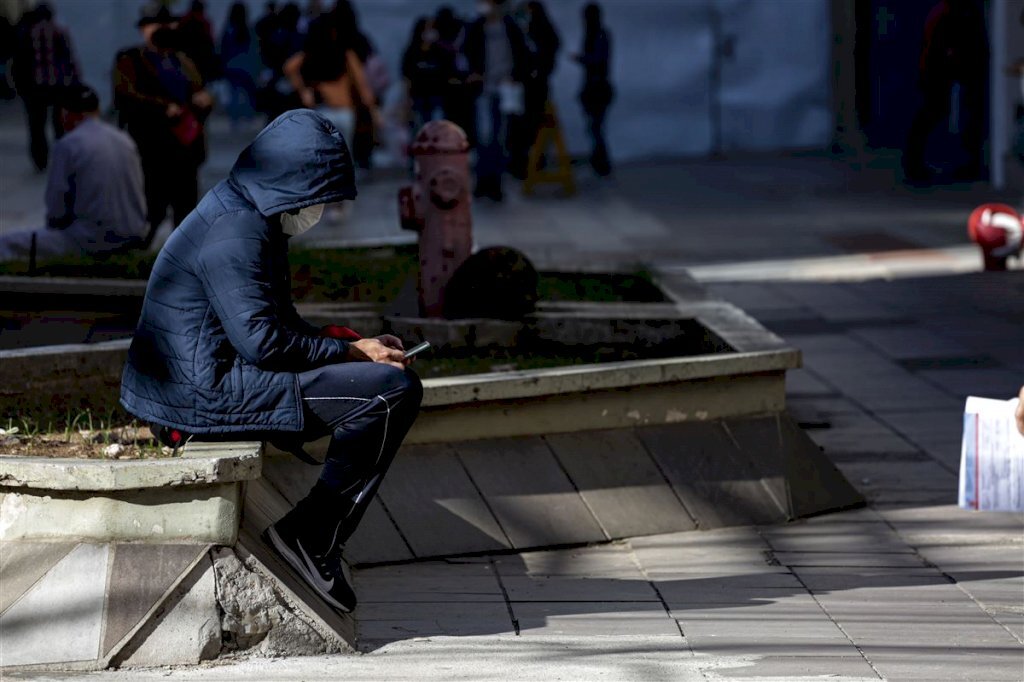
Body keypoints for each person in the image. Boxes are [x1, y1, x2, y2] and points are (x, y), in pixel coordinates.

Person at [120, 110, 422, 613]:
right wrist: (349, 351)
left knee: (382, 378)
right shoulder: (236, 231)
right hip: (201, 394)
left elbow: (270, 325)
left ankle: (313, 534)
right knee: (392, 394)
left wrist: (355, 344)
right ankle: (311, 537)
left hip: (206, 379)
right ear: (294, 184)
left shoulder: (247, 212)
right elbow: (264, 343)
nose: (319, 209)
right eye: (318, 197)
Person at [0, 84, 147, 263]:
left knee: (6, 243)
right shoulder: (124, 140)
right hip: (133, 233)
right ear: (97, 109)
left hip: (92, 239)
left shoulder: (69, 145)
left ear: (65, 113)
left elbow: (56, 208)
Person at [113, 6, 213, 245]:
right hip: (151, 142)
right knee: (152, 200)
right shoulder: (131, 59)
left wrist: (204, 101)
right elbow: (126, 96)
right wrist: (162, 107)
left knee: (185, 203)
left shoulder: (182, 59)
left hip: (184, 143)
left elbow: (198, 90)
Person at [903, 0, 988, 184]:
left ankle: (922, 164)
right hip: (939, 71)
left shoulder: (949, 12)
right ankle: (916, 165)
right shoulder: (946, 13)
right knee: (932, 114)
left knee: (939, 113)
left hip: (944, 70)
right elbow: (939, 47)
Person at [283, 3, 378, 158]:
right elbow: (362, 84)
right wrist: (373, 110)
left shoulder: (312, 53)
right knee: (344, 156)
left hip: (322, 109)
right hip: (344, 110)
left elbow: (289, 67)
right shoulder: (345, 53)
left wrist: (303, 91)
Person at [463, 0, 531, 201]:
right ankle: (482, 181)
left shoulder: (511, 27)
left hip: (505, 88)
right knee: (485, 136)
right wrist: (473, 73)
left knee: (500, 136)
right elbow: (466, 53)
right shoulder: (476, 27)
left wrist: (516, 76)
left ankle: (495, 182)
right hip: (484, 88)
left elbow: (522, 55)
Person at [12, 3, 79, 171]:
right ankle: (62, 158)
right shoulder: (59, 31)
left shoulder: (27, 33)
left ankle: (40, 160)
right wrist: (73, 83)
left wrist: (20, 87)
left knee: (36, 126)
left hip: (34, 87)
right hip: (58, 86)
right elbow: (70, 60)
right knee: (60, 125)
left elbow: (19, 63)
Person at [511, 0, 560, 179]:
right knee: (519, 126)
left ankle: (537, 161)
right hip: (523, 85)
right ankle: (522, 163)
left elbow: (551, 50)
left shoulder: (542, 31)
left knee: (535, 124)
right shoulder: (520, 30)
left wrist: (539, 71)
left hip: (536, 86)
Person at [573, 2, 613, 177]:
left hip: (597, 89)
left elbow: (597, 60)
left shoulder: (598, 35)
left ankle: (601, 164)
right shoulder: (597, 34)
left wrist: (581, 58)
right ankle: (600, 163)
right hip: (595, 88)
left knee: (595, 128)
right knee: (595, 128)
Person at [401, 17, 446, 132]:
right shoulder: (412, 52)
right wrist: (407, 101)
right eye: (428, 29)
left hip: (436, 99)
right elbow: (407, 79)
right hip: (417, 100)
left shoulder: (439, 52)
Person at [220, 2, 260, 127]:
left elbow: (223, 49)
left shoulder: (229, 30)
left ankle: (235, 118)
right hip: (247, 67)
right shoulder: (249, 29)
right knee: (248, 94)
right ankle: (248, 116)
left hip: (232, 66)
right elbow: (254, 50)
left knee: (234, 93)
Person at [177, 0, 219, 85]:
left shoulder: (184, 21)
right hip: (197, 60)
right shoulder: (204, 23)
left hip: (189, 59)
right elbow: (210, 42)